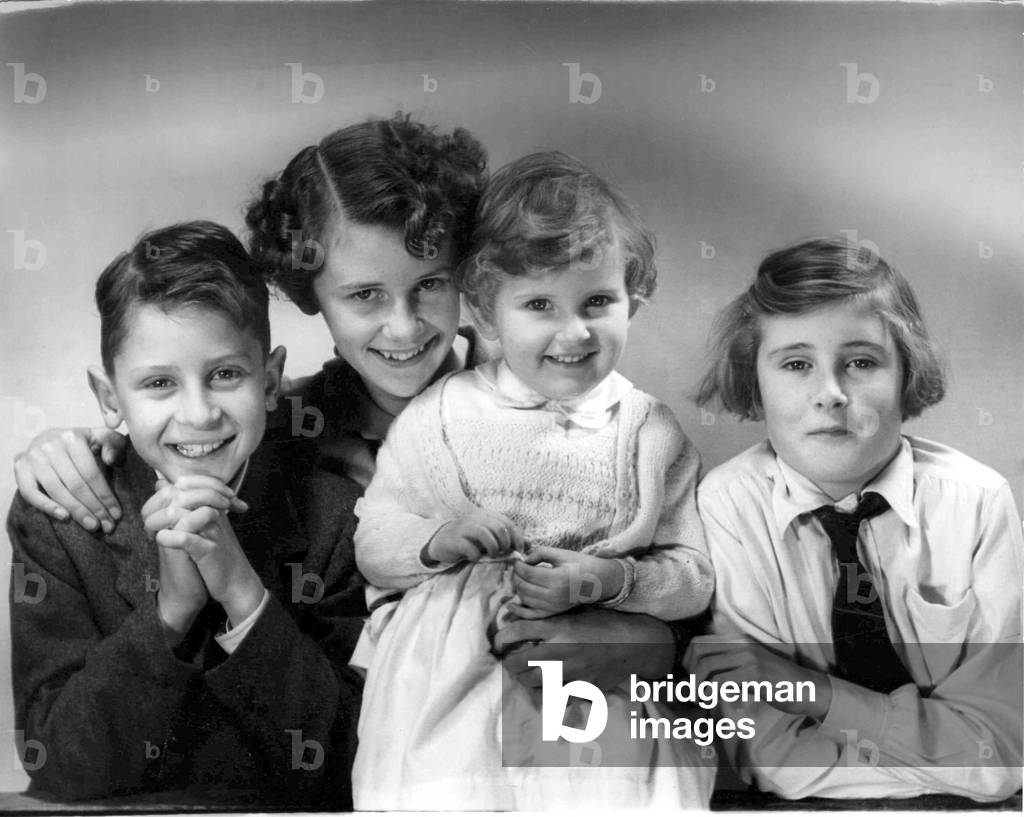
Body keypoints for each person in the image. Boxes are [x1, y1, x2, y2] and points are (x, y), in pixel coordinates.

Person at [11, 115, 683, 775]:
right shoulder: (280, 434)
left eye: (431, 284)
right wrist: (75, 446)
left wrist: (632, 635)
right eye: (364, 294)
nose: (403, 327)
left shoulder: (577, 402)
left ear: (471, 277)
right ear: (312, 296)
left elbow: (681, 583)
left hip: (569, 739)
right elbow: (186, 424)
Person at [351, 152, 717, 810]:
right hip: (449, 676)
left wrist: (612, 580)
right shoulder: (437, 418)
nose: (573, 332)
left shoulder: (649, 432)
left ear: (634, 300)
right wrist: (436, 540)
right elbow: (375, 539)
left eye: (598, 301)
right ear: (488, 314)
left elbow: (692, 576)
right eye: (539, 304)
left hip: (589, 673)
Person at [7, 222, 366, 806]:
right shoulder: (59, 518)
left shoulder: (337, 518)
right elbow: (56, 763)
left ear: (270, 382)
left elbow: (347, 765)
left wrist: (244, 596)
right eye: (159, 383)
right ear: (109, 399)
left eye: (225, 374)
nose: (198, 414)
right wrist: (170, 613)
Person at [688, 237, 1023, 801]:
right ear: (754, 382)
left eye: (862, 362)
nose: (831, 394)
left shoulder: (979, 503)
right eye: (796, 364)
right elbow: (772, 761)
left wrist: (810, 692)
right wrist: (957, 755)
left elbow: (1004, 758)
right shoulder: (730, 506)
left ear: (906, 374)